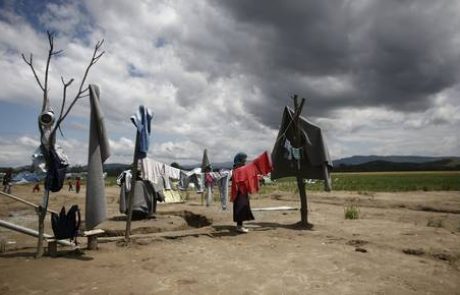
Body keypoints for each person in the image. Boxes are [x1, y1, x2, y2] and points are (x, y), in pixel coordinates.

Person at [231, 152, 254, 233]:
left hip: (242, 192)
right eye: (243, 160)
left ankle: (240, 225)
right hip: (239, 192)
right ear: (239, 160)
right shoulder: (237, 169)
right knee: (240, 208)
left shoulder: (239, 169)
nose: (245, 162)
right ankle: (239, 226)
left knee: (243, 208)